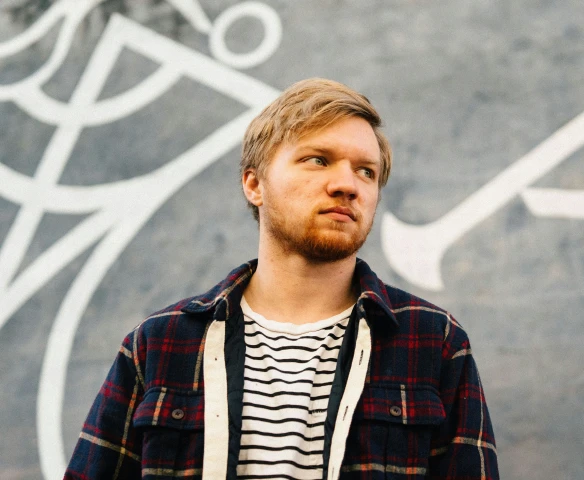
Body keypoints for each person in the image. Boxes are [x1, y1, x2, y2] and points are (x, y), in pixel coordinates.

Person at [65, 78, 499, 480]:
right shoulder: (158, 344)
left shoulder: (433, 340)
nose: (347, 184)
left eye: (366, 171)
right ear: (254, 184)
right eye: (318, 160)